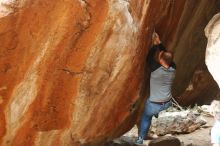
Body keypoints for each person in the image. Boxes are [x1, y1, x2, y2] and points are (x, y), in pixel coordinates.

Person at [135, 32, 176, 145]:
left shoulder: (156, 69)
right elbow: (168, 57)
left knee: (146, 117)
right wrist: (160, 44)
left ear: (160, 60)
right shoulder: (173, 68)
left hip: (155, 103)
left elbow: (148, 58)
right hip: (167, 102)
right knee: (151, 110)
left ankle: (140, 139)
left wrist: (154, 45)